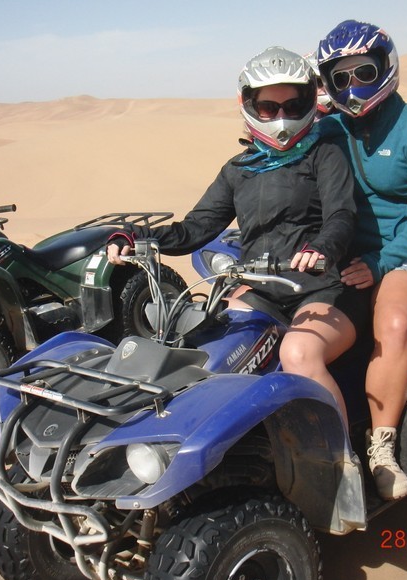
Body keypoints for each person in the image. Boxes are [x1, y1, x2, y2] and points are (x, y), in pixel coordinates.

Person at [106, 46, 360, 422]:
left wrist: (322, 247)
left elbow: (341, 215)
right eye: (268, 108)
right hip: (262, 291)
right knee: (213, 354)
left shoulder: (325, 155)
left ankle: (340, 451)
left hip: (322, 287)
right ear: (249, 105)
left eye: (293, 106)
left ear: (309, 102)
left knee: (299, 355)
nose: (281, 117)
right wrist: (136, 235)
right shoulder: (239, 169)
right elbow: (195, 228)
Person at [315, 20, 407, 500]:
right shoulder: (329, 130)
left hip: (406, 255)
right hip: (344, 255)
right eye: (340, 78)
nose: (353, 86)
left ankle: (382, 450)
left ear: (385, 68)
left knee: (392, 322)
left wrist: (381, 261)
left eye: (364, 72)